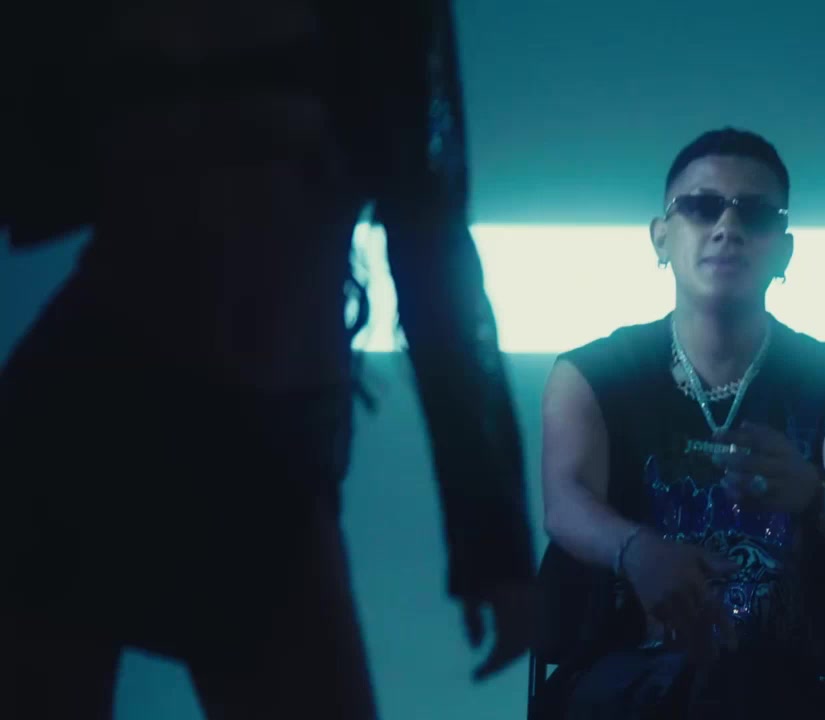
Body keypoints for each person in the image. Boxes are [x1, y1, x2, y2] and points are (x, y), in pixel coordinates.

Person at [0, 1, 535, 718]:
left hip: (260, 454)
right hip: (84, 426)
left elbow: (431, 247)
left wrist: (494, 542)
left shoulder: (378, 23)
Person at [539, 128, 825, 719]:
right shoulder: (590, 374)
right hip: (625, 672)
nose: (728, 227)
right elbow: (564, 503)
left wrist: (813, 491)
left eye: (755, 213)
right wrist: (637, 552)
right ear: (661, 238)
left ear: (784, 251)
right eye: (702, 207)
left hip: (788, 680)